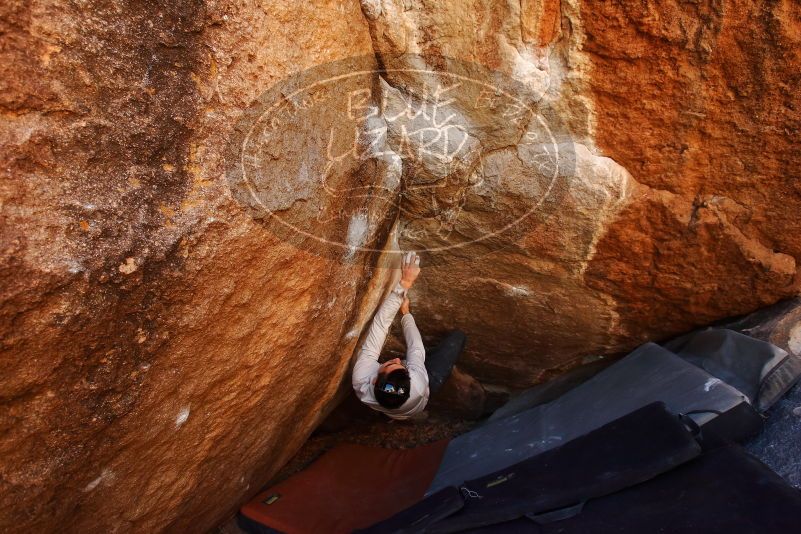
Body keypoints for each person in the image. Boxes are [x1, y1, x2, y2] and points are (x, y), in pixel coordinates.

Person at [352, 251, 466, 420]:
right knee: (458, 338)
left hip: (395, 407)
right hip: (425, 386)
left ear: (375, 381)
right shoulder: (418, 383)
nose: (398, 360)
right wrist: (406, 314)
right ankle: (415, 415)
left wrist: (404, 285)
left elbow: (381, 325)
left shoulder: (362, 379)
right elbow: (415, 347)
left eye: (391, 364)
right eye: (401, 366)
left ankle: (401, 416)